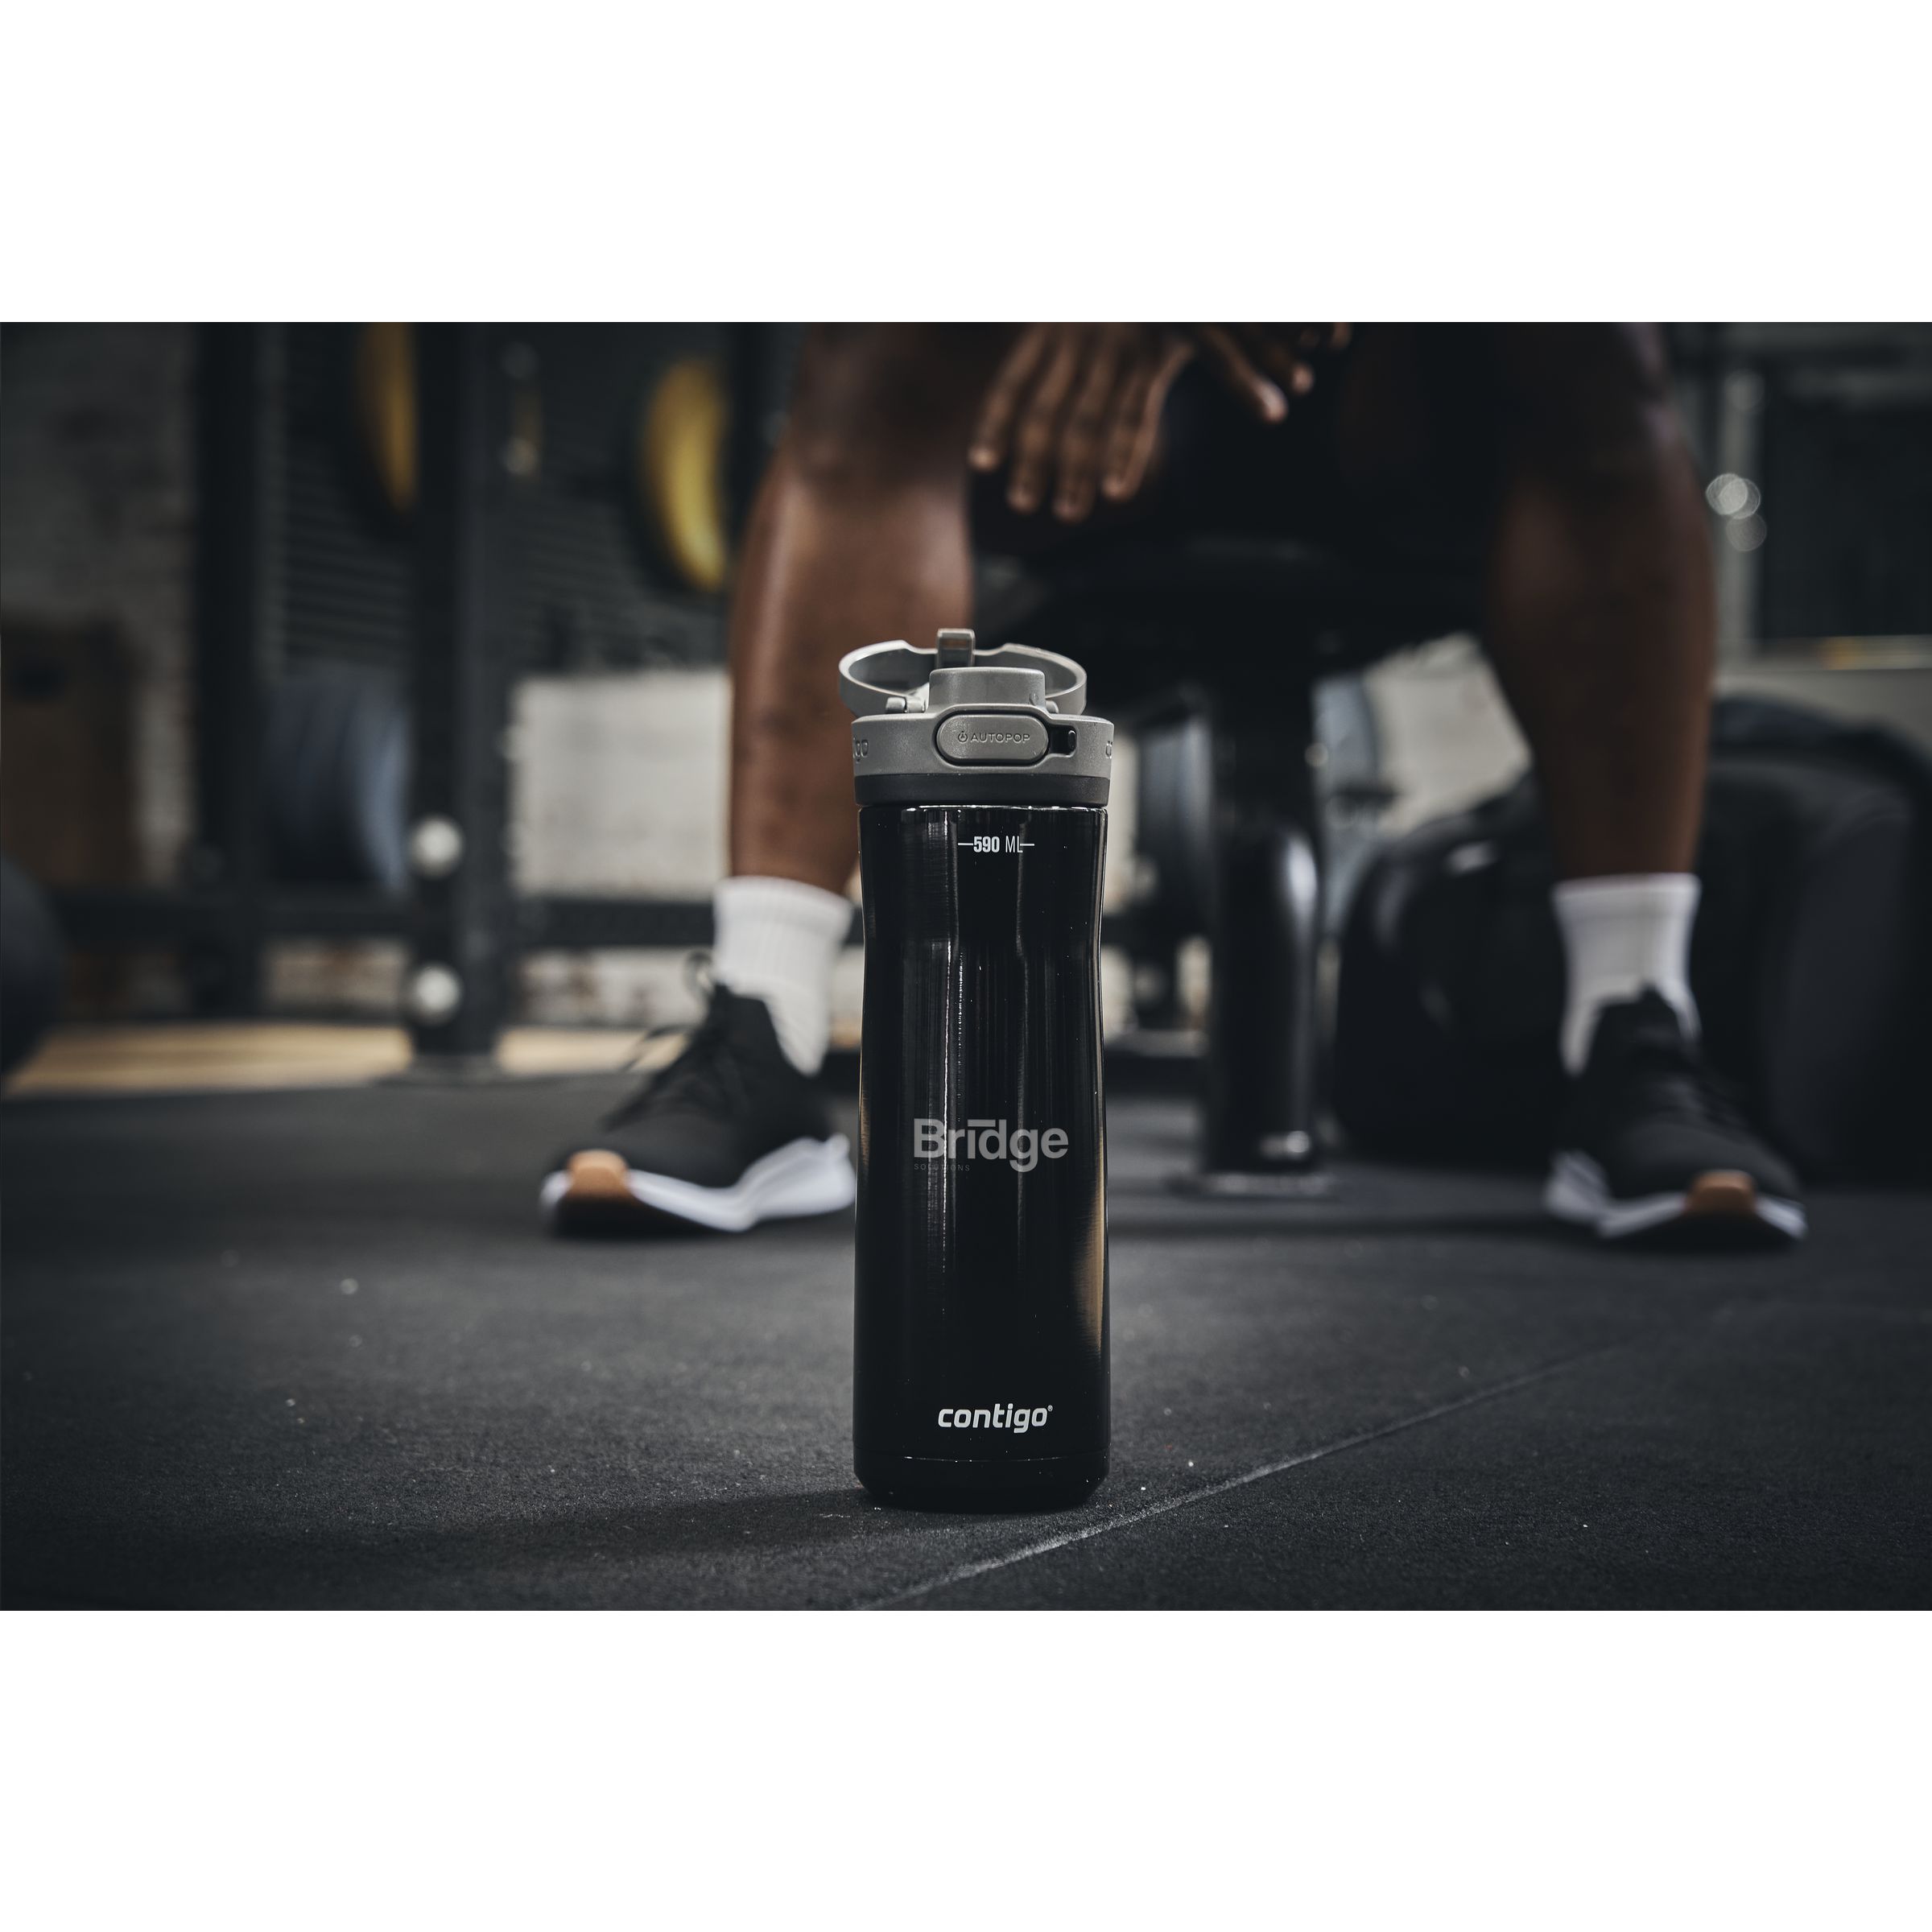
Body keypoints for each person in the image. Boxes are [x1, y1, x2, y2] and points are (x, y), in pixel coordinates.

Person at [539, 324, 1805, 1245]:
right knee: (879, 324)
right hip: (1071, 400)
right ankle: (765, 1023)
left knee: (1592, 328)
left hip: (1397, 391)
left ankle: (1632, 1021)